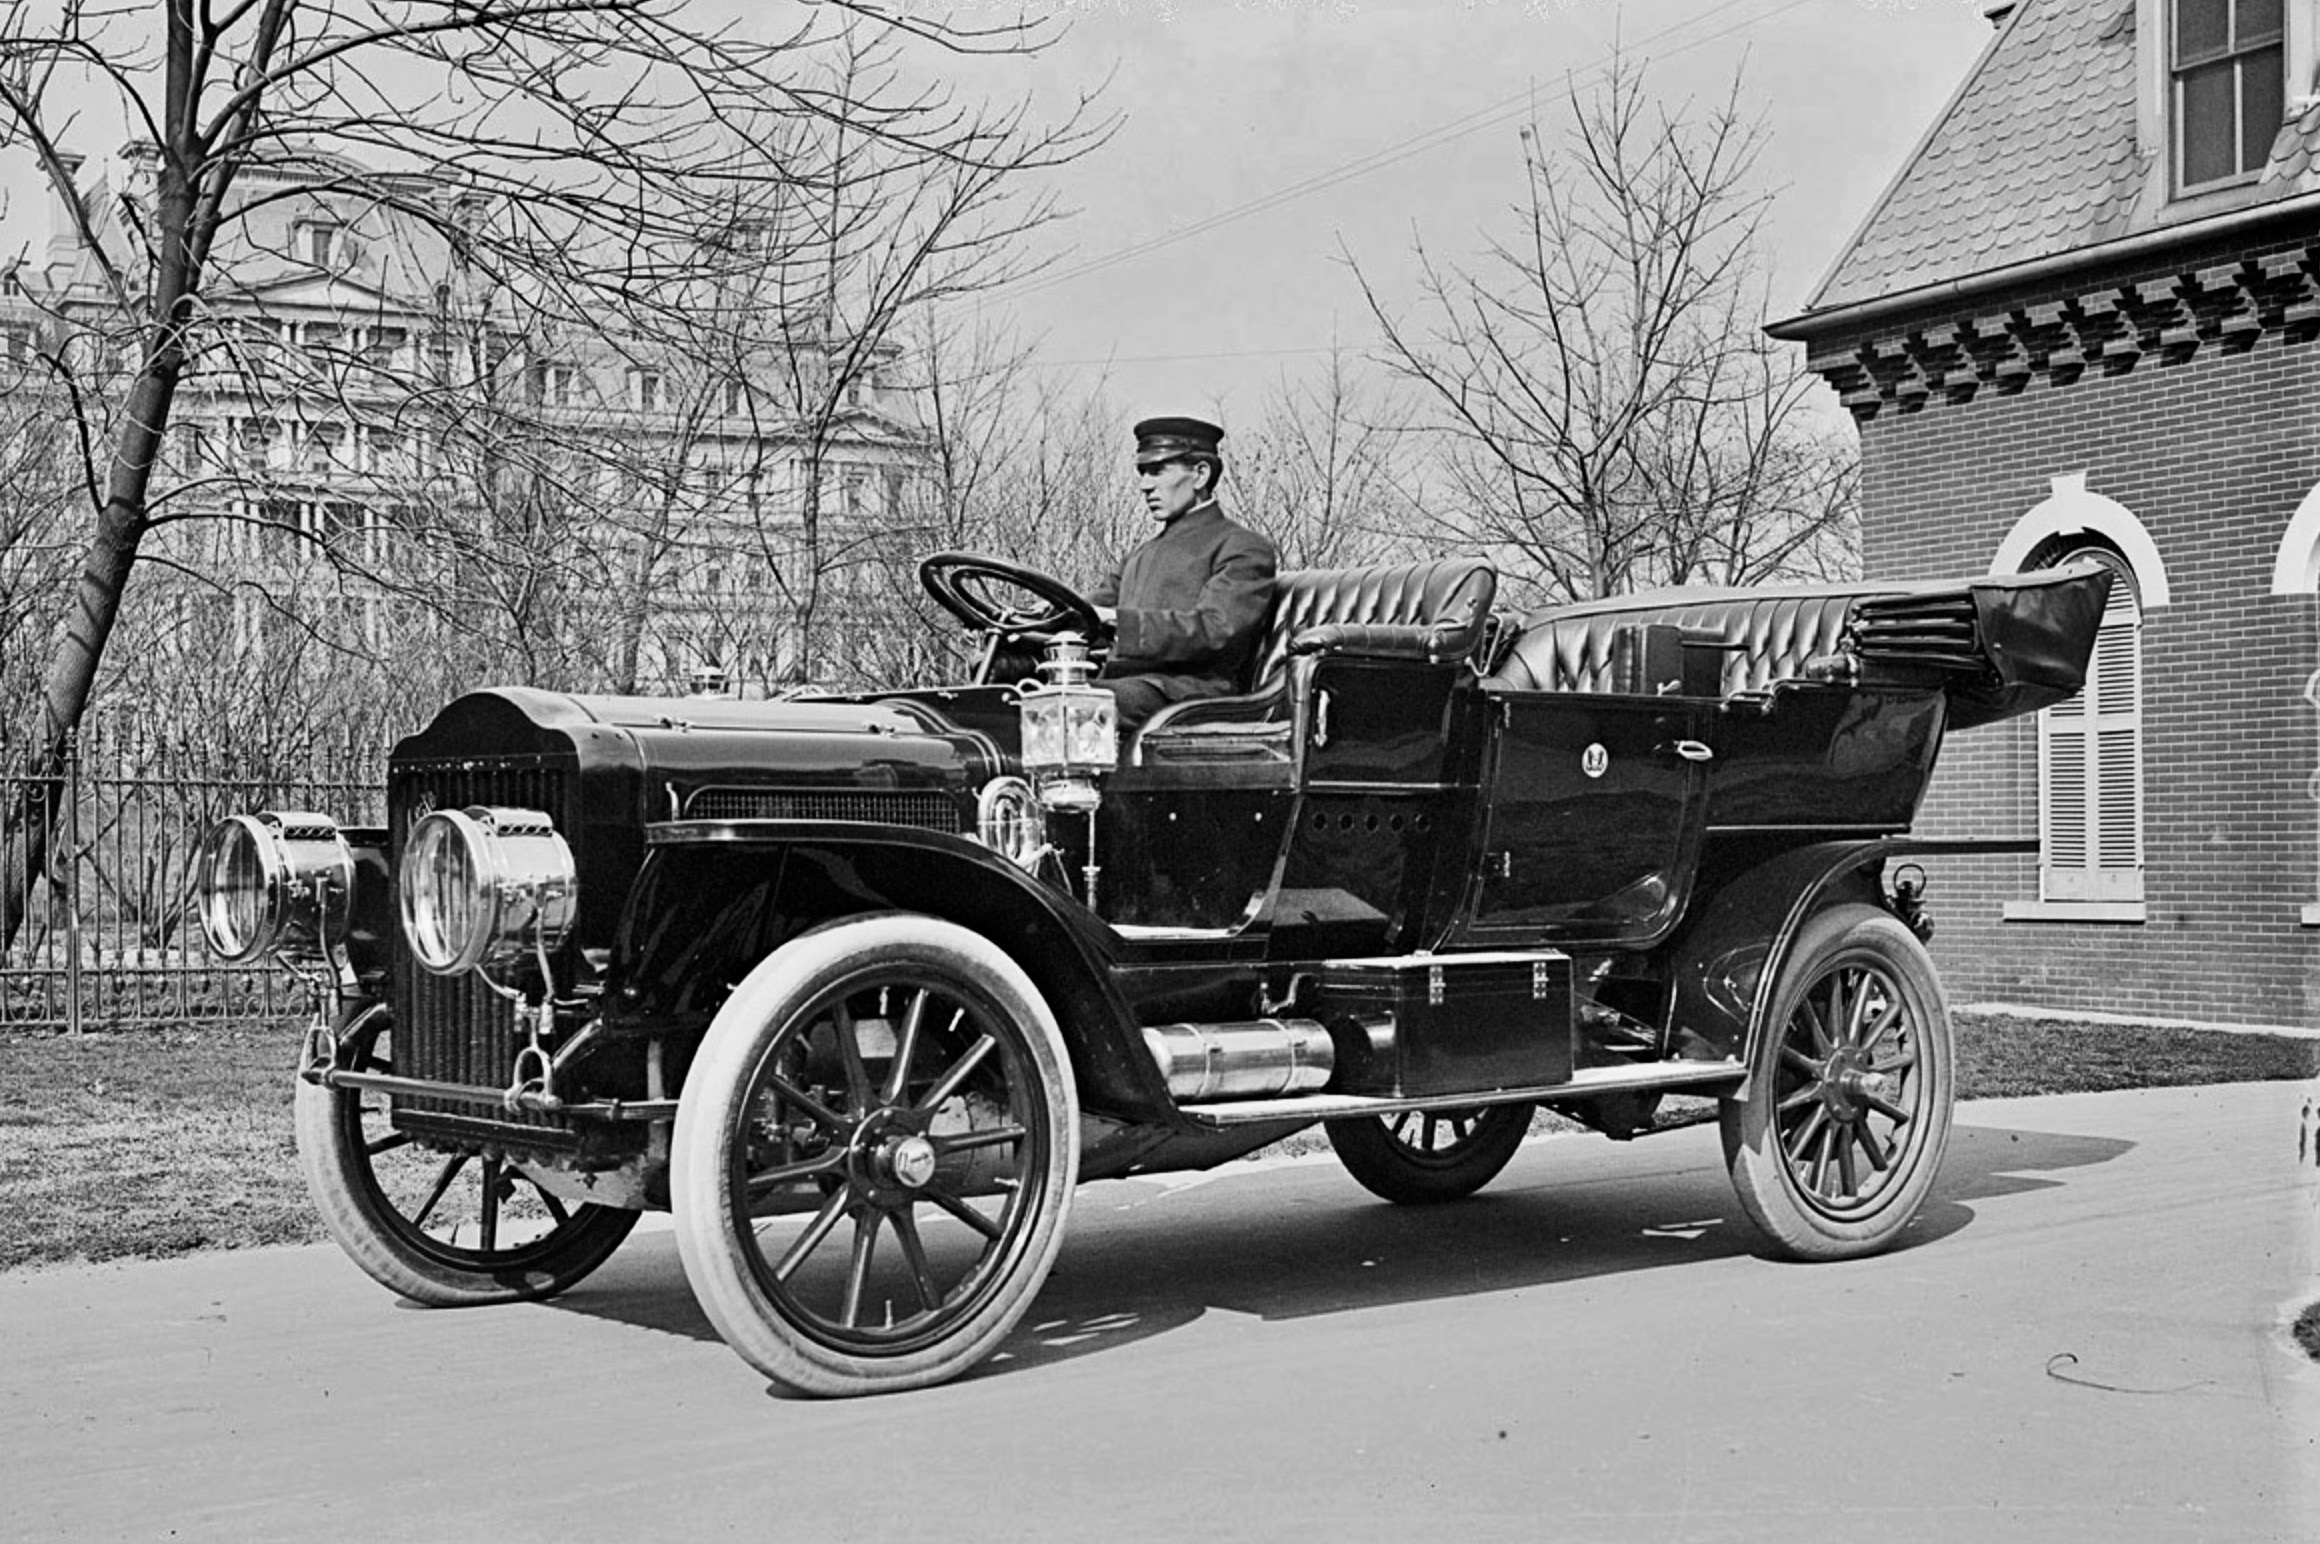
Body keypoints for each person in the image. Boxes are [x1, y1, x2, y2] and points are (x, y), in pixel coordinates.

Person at [1089, 416, 1279, 729]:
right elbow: (1084, 613)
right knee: (1004, 693)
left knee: (1068, 703)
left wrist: (1115, 621)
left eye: (1158, 470)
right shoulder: (1139, 556)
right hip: (1127, 690)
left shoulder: (1241, 547)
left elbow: (1216, 629)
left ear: (1200, 474)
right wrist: (1031, 619)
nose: (1144, 485)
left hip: (1188, 696)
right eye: (1142, 472)